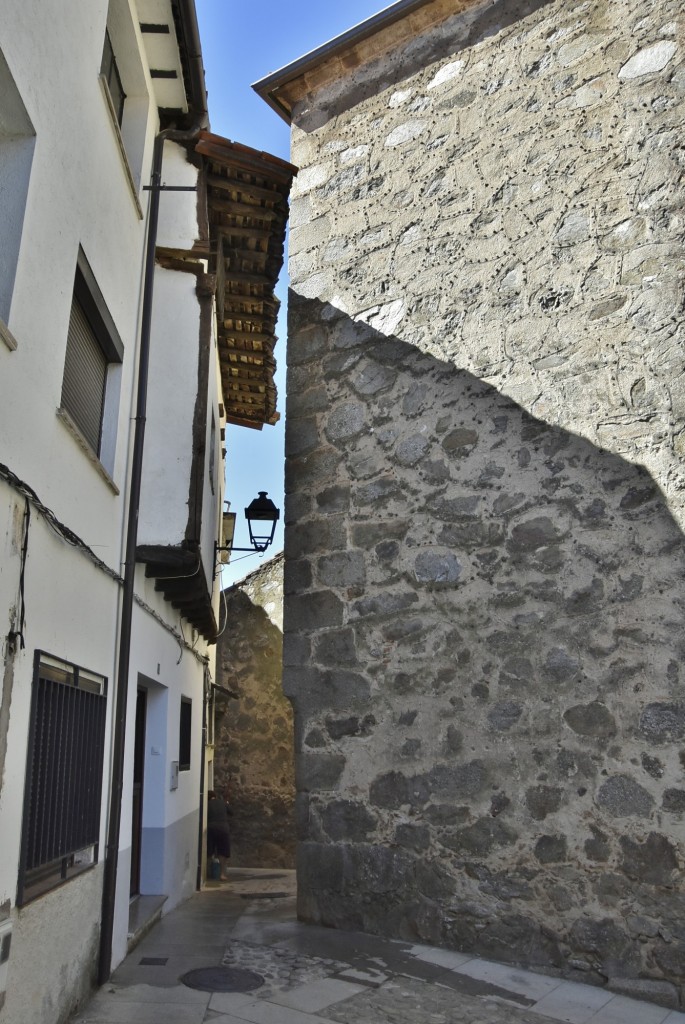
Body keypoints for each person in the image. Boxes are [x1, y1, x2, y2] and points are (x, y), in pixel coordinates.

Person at [206, 789, 231, 881]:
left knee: (209, 852)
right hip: (223, 828)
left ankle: (206, 874)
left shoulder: (206, 804)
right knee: (223, 853)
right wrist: (227, 802)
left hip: (211, 828)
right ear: (215, 796)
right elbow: (231, 812)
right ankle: (222, 874)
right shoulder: (223, 803)